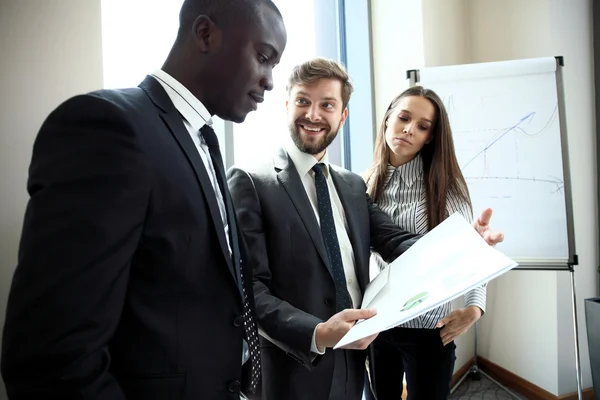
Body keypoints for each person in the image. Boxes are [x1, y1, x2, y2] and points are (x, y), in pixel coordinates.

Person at [0, 1, 286, 399]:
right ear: (205, 34)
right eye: (264, 57)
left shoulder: (203, 141)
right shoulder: (108, 127)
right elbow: (53, 358)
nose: (270, 80)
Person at [226, 58, 503, 400]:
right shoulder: (250, 180)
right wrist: (317, 332)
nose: (313, 114)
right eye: (302, 101)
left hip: (355, 359)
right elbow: (249, 289)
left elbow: (396, 241)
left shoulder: (352, 186)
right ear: (286, 105)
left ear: (342, 115)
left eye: (327, 104)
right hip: (292, 368)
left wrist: (461, 248)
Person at [364, 86, 490, 400]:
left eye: (422, 126)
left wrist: (475, 309)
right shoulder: (363, 183)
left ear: (430, 137)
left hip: (428, 331)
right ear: (388, 119)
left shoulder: (446, 187)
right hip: (375, 326)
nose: (408, 129)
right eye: (404, 118)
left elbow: (472, 253)